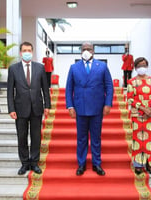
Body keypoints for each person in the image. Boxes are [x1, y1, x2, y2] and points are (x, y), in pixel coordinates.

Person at [65, 42, 113, 176]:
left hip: (97, 107)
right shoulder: (74, 67)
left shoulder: (102, 66)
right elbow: (69, 88)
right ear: (80, 51)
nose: (86, 51)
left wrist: (108, 104)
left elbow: (109, 86)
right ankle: (81, 164)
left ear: (93, 51)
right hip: (80, 107)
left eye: (89, 49)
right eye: (84, 49)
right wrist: (70, 106)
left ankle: (96, 163)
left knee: (96, 137)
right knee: (81, 138)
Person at [7, 41, 51, 175]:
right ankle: (24, 163)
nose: (27, 53)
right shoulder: (13, 69)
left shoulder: (40, 68)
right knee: (22, 137)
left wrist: (47, 105)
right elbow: (10, 91)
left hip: (36, 108)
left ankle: (34, 163)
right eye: (24, 50)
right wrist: (11, 109)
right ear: (21, 53)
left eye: (29, 50)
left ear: (32, 52)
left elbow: (45, 88)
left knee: (36, 137)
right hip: (20, 109)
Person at [127, 57, 151, 175]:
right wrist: (143, 108)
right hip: (137, 115)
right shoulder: (131, 82)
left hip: (150, 115)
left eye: (144, 65)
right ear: (135, 67)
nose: (142, 67)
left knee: (150, 139)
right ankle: (138, 164)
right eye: (139, 65)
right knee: (138, 139)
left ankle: (150, 163)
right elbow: (130, 99)